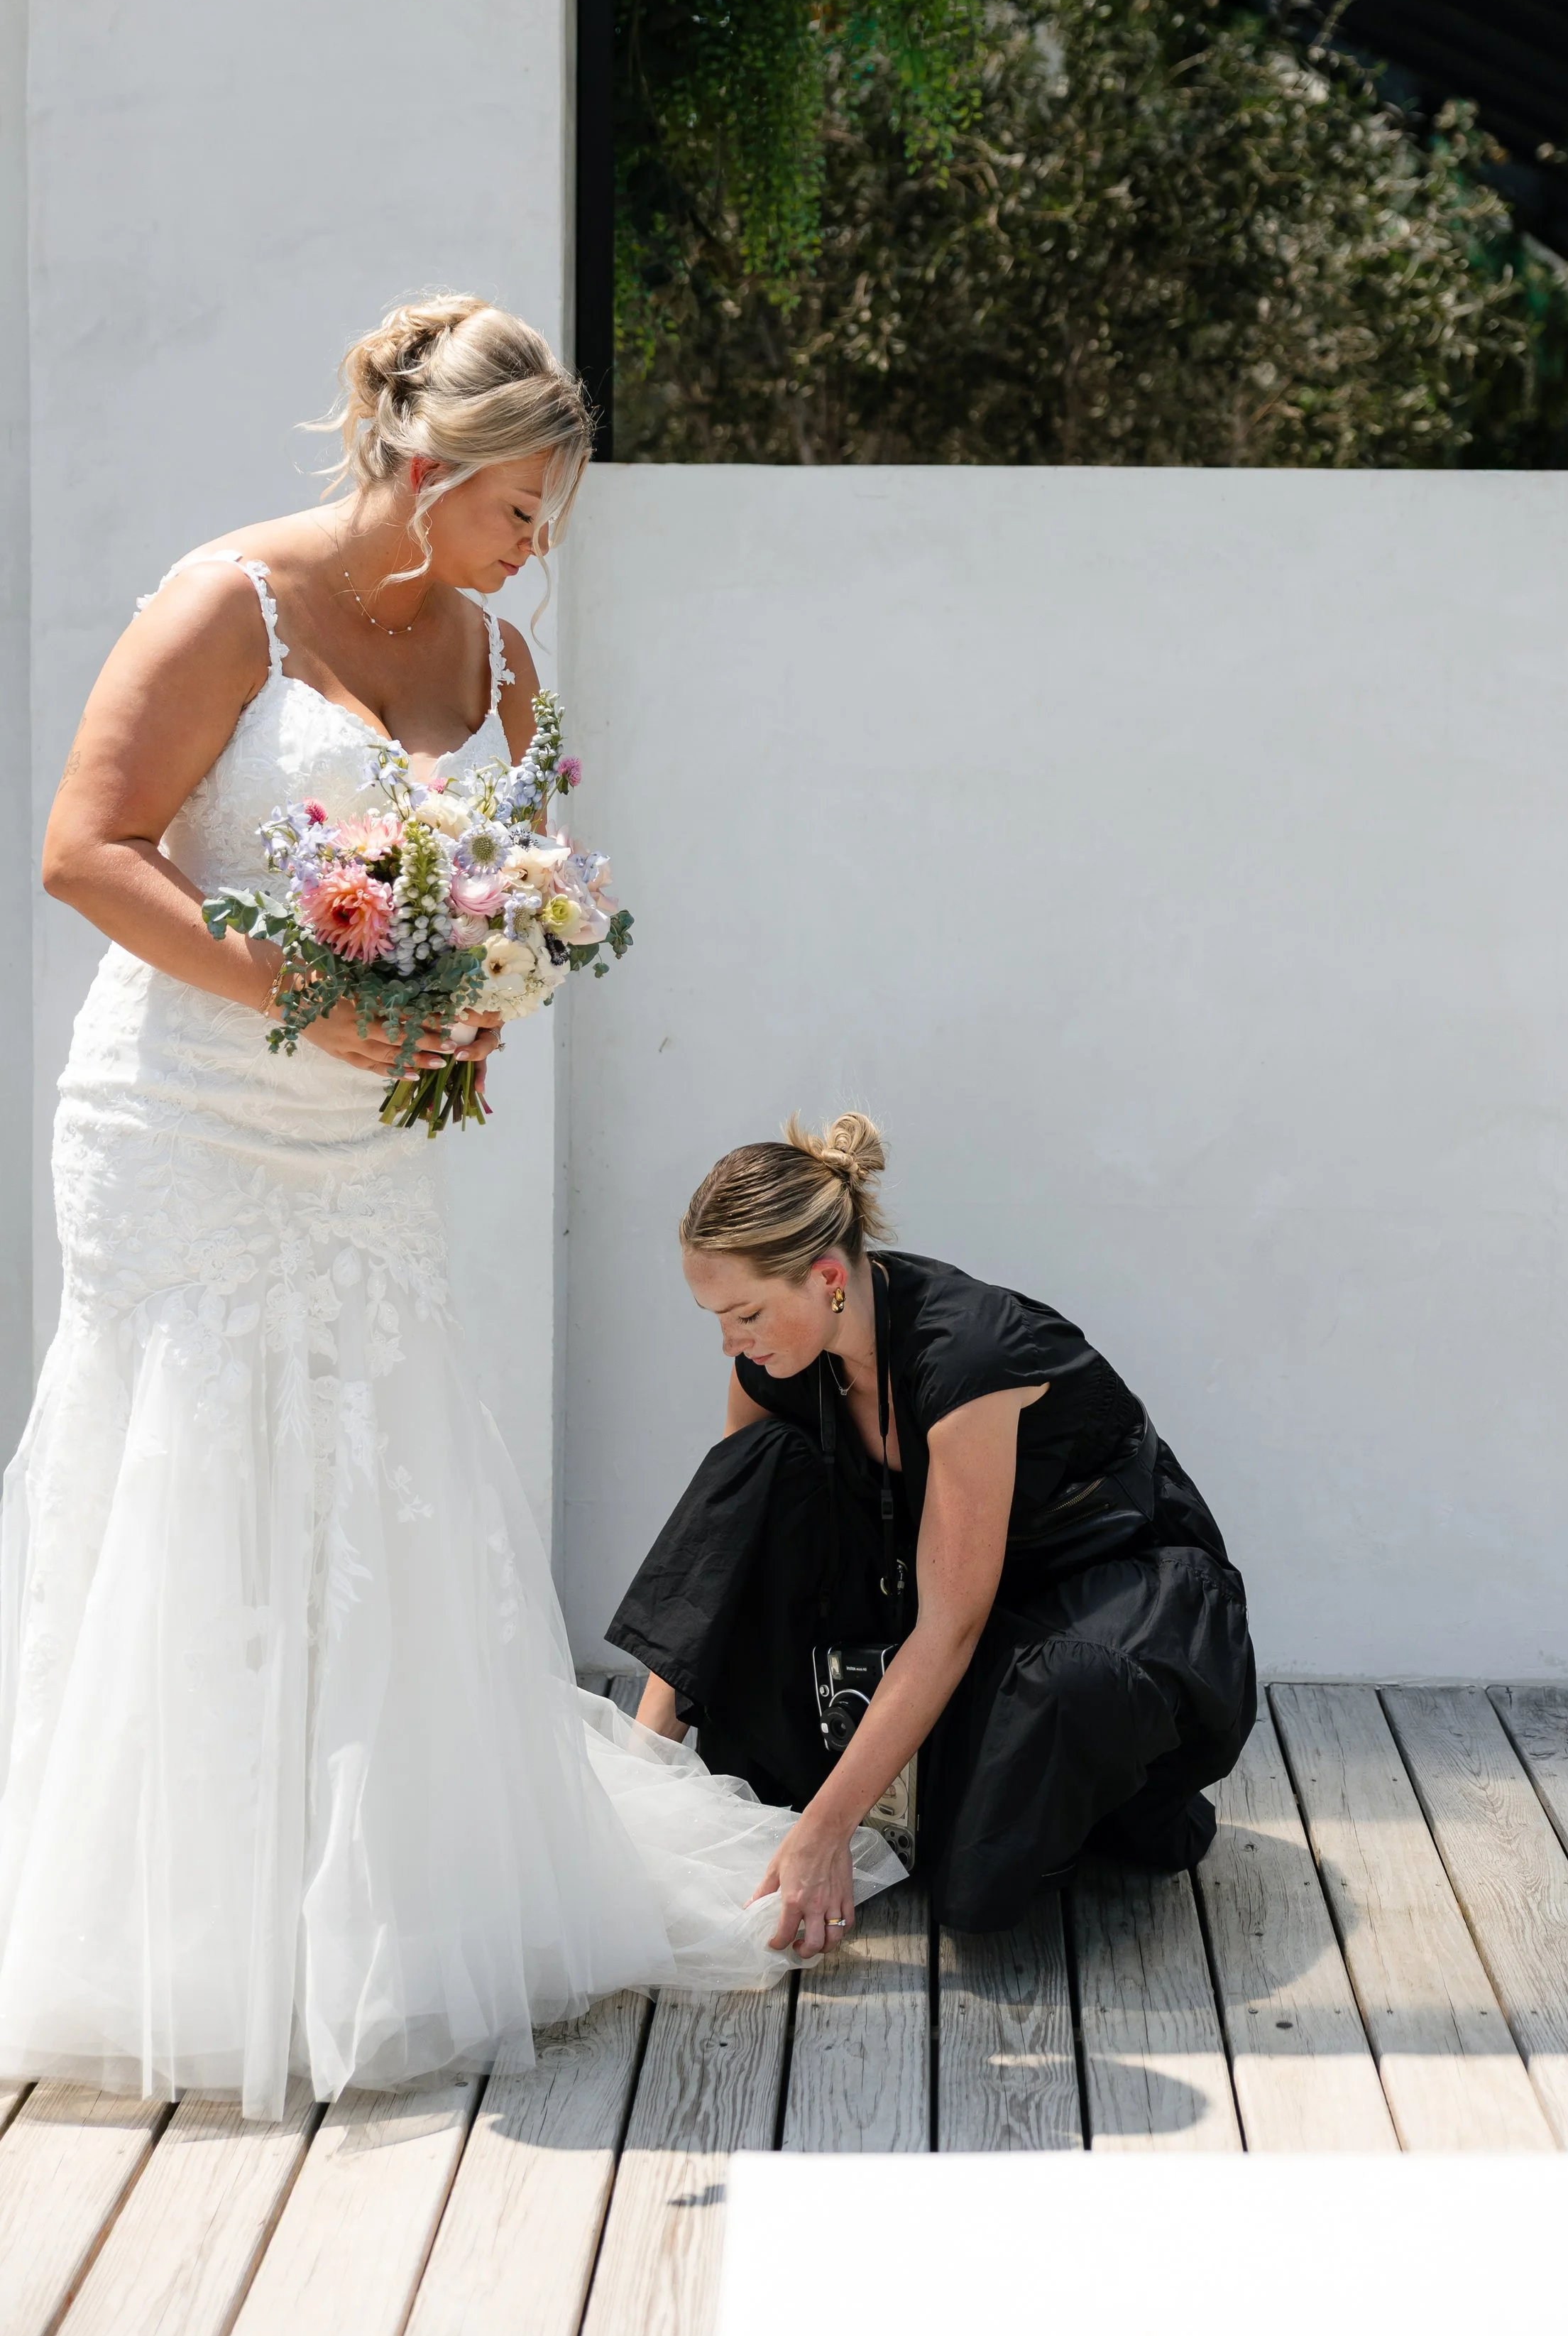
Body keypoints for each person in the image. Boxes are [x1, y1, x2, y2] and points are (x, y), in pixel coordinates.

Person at [0, 296, 899, 2122]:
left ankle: (375, 1913)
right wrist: (314, 999)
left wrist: (483, 989)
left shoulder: (497, 663)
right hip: (179, 1123)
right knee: (193, 1473)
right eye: (519, 510)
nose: (534, 547)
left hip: (368, 1143)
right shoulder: (224, 607)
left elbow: (531, 880)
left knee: (370, 1476)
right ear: (424, 470)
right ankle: (188, 1942)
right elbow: (85, 845)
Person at [610, 1115, 1257, 1953]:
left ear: (828, 1277)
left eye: (746, 1314)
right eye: (717, 1318)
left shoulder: (969, 1358)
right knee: (758, 1460)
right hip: (929, 1591)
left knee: (977, 1871)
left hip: (1104, 1589)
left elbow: (951, 1622)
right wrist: (641, 1774)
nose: (732, 1342)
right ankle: (901, 1785)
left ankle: (1060, 1794)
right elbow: (720, 1553)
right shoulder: (770, 1362)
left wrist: (825, 1830)